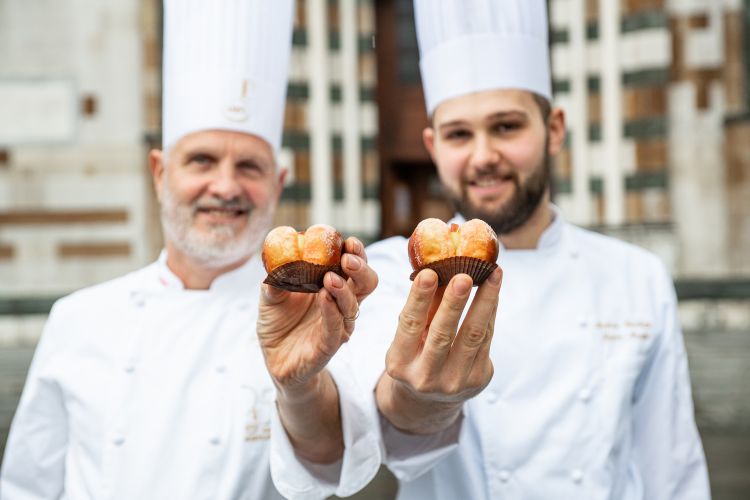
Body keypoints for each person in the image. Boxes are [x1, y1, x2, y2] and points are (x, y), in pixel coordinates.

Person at [272, 0, 712, 499]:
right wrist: (393, 395)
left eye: (506, 126)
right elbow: (358, 430)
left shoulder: (638, 275)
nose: (483, 157)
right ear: (434, 147)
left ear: (554, 129)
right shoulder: (392, 271)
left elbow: (670, 464)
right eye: (459, 134)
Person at [0, 1, 380, 498]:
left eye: (250, 166)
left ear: (279, 182)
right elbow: (27, 486)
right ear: (159, 173)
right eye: (201, 160)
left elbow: (333, 467)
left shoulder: (321, 319)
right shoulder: (77, 320)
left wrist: (299, 385)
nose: (225, 186)